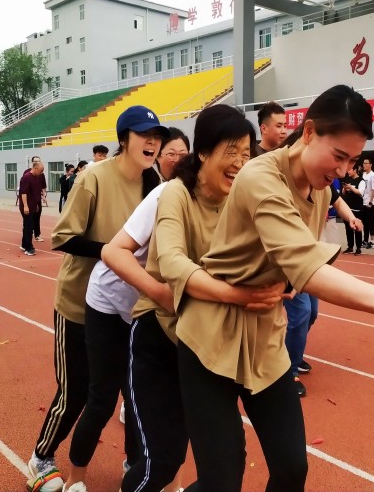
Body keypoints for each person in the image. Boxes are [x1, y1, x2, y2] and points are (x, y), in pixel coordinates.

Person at [174, 85, 374, 492]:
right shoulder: (259, 176)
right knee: (221, 479)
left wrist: (282, 280)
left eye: (353, 161)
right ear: (307, 133)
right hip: (210, 338)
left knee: (291, 469)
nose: (343, 170)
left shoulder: (319, 189)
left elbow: (292, 263)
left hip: (265, 339)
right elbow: (304, 263)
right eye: (338, 156)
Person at [102, 105, 280, 492]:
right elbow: (126, 253)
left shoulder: (246, 197)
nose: (240, 163)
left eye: (247, 154)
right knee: (161, 463)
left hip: (205, 345)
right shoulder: (172, 194)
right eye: (231, 152)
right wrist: (164, 293)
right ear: (202, 152)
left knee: (225, 468)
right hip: (162, 337)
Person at [25, 105, 169, 492]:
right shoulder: (94, 179)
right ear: (124, 139)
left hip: (127, 306)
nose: (152, 142)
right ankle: (41, 457)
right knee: (76, 392)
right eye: (144, 135)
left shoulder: (153, 184)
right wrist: (112, 252)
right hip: (77, 303)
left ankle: (134, 462)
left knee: (132, 390)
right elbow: (64, 237)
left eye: (156, 136)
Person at [19, 162, 45, 257]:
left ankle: (23, 244)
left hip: (34, 206)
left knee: (28, 225)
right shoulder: (26, 177)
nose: (42, 172)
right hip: (27, 207)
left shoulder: (38, 177)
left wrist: (38, 203)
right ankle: (29, 248)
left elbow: (36, 191)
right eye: (41, 170)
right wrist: (25, 206)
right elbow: (24, 193)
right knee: (29, 227)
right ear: (35, 168)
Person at [340, 166, 364, 255]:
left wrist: (351, 187)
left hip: (357, 208)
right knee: (348, 228)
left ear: (355, 170)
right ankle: (350, 246)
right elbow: (343, 193)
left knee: (357, 228)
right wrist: (345, 188)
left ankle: (358, 247)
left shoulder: (361, 181)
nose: (348, 172)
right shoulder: (348, 180)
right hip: (348, 209)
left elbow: (360, 192)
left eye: (350, 170)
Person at [24, 156, 48, 242]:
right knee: (29, 219)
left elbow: (43, 186)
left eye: (39, 161)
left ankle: (37, 234)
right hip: (30, 200)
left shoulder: (41, 174)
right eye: (35, 161)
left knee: (37, 217)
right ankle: (27, 237)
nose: (38, 162)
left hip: (38, 199)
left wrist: (44, 196)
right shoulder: (27, 174)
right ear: (33, 163)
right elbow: (24, 190)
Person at [360, 157, 374, 248]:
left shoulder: (373, 175)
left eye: (366, 163)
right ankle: (365, 240)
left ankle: (372, 241)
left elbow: (373, 189)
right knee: (365, 222)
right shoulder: (363, 174)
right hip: (363, 201)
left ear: (370, 165)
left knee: (371, 222)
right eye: (363, 163)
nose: (364, 165)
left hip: (370, 202)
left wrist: (370, 201)